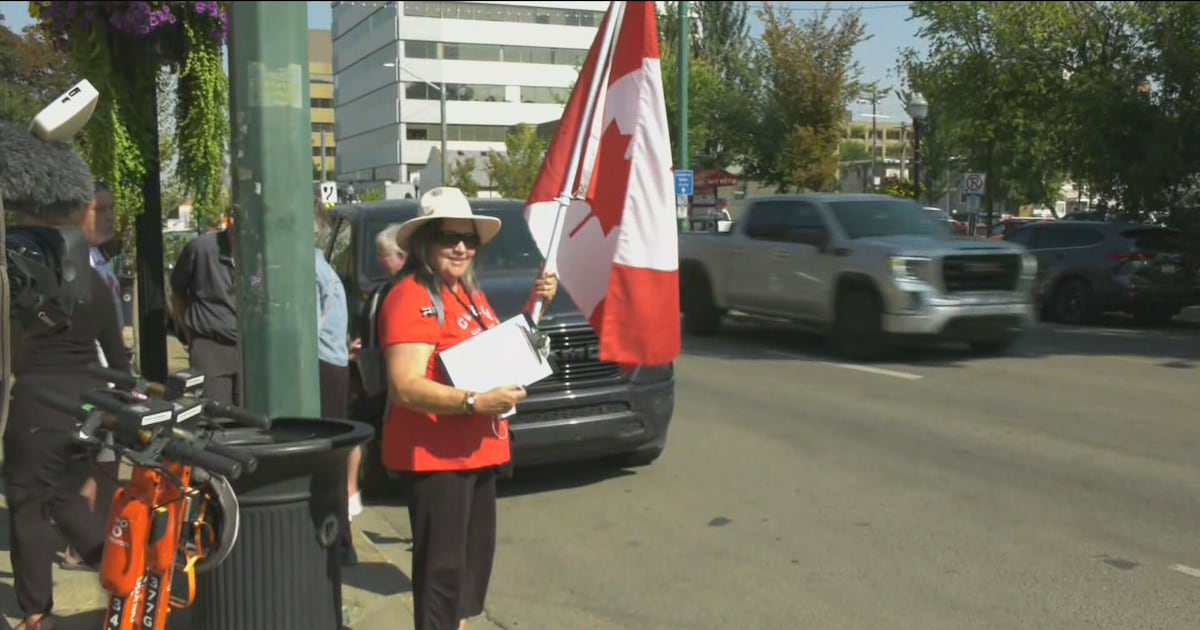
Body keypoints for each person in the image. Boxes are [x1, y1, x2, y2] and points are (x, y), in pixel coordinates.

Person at [378, 187, 557, 630]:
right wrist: (476, 402)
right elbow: (404, 386)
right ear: (425, 242)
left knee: (466, 580)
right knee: (442, 579)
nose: (461, 247)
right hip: (438, 459)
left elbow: (494, 355)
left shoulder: (466, 292)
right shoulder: (411, 295)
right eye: (448, 237)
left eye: (469, 239)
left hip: (477, 452)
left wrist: (539, 307)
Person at [1, 118, 129, 630]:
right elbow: (116, 357)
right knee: (64, 495)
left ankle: (36, 612)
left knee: (28, 505)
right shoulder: (93, 283)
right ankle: (114, 556)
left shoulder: (15, 283)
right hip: (91, 401)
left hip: (36, 403)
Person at [61, 182, 123, 570]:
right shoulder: (75, 265)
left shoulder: (98, 260)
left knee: (106, 460)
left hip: (108, 375)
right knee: (91, 460)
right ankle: (82, 545)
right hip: (90, 378)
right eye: (100, 209)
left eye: (112, 207)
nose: (110, 215)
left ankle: (91, 540)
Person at [342, 222, 409, 566]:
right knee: (363, 428)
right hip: (372, 374)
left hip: (390, 378)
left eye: (384, 256)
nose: (380, 262)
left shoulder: (407, 291)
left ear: (401, 256)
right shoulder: (382, 292)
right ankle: (357, 487)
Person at [169, 219, 241, 405]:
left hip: (246, 350)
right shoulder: (201, 250)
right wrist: (188, 332)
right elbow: (177, 291)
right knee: (217, 415)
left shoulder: (255, 254)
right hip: (211, 347)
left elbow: (256, 289)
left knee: (249, 416)